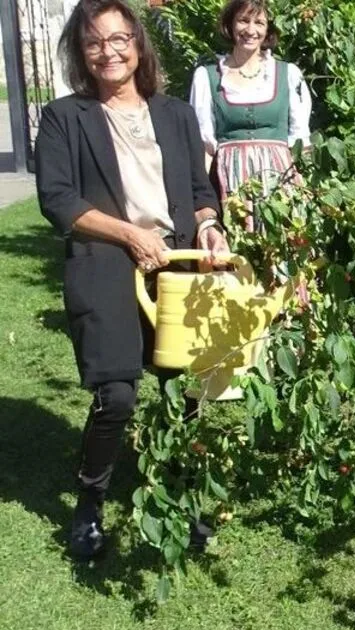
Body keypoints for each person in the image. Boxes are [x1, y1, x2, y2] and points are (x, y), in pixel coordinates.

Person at [36, 0, 227, 561]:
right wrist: (129, 234)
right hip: (106, 262)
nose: (107, 52)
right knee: (117, 393)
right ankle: (90, 504)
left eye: (119, 39)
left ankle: (180, 495)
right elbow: (59, 201)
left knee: (181, 391)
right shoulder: (64, 117)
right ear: (81, 51)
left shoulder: (175, 115)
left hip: (178, 264)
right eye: (94, 42)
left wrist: (210, 229)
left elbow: (198, 193)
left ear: (138, 45)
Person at [189, 0, 312, 208]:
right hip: (230, 185)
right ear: (230, 25)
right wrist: (201, 202)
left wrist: (307, 188)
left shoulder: (289, 74)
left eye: (259, 23)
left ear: (268, 30)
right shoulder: (207, 77)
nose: (251, 30)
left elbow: (301, 141)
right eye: (243, 21)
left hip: (281, 185)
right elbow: (205, 147)